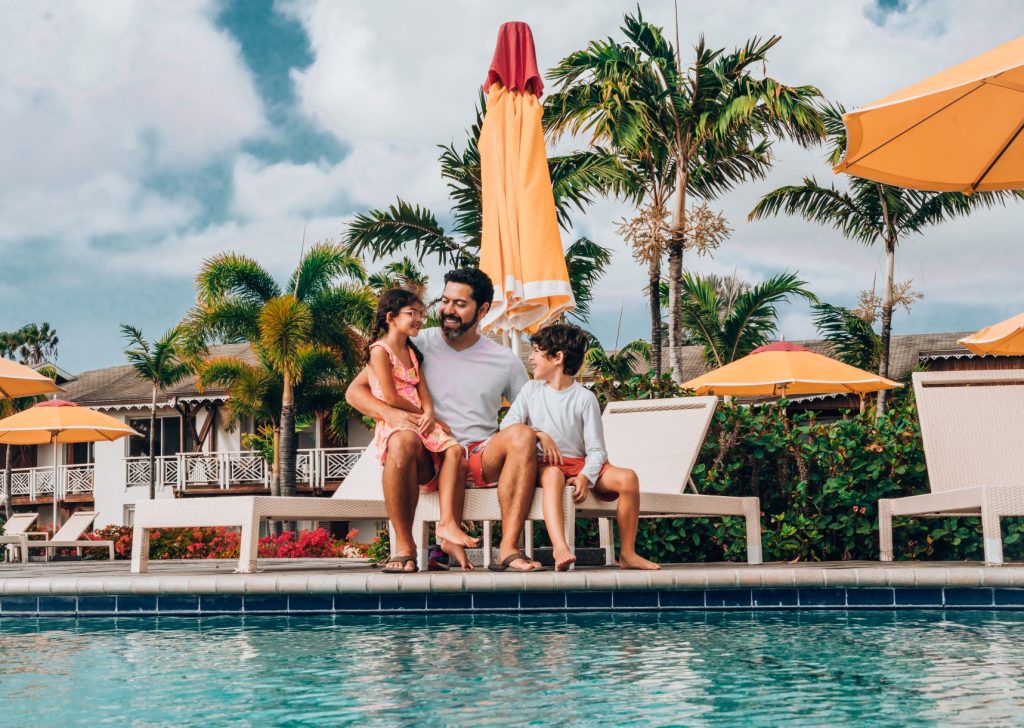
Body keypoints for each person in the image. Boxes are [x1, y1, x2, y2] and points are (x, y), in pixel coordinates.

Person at [346, 268, 544, 573]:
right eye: (445, 301)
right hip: (428, 455)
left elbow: (532, 415)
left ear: (483, 310)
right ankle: (404, 548)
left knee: (522, 435)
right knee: (400, 439)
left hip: (480, 456)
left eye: (460, 304)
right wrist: (392, 413)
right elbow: (355, 392)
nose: (448, 310)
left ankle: (508, 549)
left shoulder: (505, 361)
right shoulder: (413, 343)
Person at [501, 323, 660, 571]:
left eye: (535, 351)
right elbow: (507, 428)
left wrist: (586, 475)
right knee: (553, 476)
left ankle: (628, 553)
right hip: (546, 465)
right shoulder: (530, 391)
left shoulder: (585, 398)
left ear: (557, 357)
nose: (530, 357)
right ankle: (560, 547)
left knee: (628, 478)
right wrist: (539, 434)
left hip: (579, 464)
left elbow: (597, 450)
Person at [363, 287, 478, 571]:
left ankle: (448, 524)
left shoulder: (412, 352)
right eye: (412, 313)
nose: (419, 320)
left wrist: (430, 414)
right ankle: (405, 545)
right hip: (400, 421)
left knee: (455, 450)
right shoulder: (379, 351)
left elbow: (423, 392)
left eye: (421, 315)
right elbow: (389, 397)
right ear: (391, 317)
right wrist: (422, 416)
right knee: (402, 443)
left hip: (421, 421)